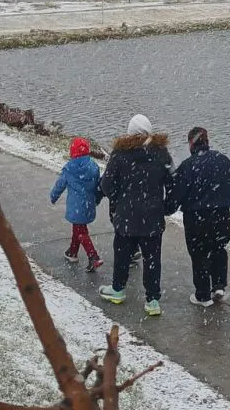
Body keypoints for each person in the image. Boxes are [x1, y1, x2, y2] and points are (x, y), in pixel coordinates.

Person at [98, 114, 173, 316]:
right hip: (153, 218)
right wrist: (166, 207)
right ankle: (152, 300)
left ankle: (118, 289)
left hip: (126, 215)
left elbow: (106, 185)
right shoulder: (162, 154)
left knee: (122, 254)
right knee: (152, 259)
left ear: (130, 132)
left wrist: (119, 199)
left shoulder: (119, 154)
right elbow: (172, 184)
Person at [168, 127, 230, 307]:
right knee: (219, 249)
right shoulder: (223, 160)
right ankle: (219, 285)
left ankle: (203, 295)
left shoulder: (188, 166)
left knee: (199, 255)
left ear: (191, 143)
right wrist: (224, 201)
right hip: (221, 215)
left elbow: (177, 194)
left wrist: (166, 208)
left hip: (196, 218)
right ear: (207, 141)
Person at [51, 137, 104, 273]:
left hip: (76, 206)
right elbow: (98, 185)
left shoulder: (70, 168)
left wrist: (54, 196)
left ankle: (93, 256)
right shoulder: (94, 167)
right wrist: (97, 199)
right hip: (89, 204)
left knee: (81, 231)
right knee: (79, 228)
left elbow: (60, 184)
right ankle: (72, 252)